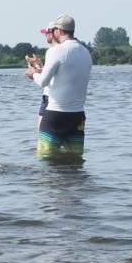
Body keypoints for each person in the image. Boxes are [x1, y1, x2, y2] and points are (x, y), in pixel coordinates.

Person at [25, 14, 92, 157]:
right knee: (75, 162)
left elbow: (43, 82)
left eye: (54, 29)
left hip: (56, 116)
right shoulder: (86, 52)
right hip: (78, 116)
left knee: (46, 162)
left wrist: (33, 73)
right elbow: (66, 76)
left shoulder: (57, 51)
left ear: (59, 31)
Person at [25, 24, 57, 128]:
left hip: (49, 97)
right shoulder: (59, 51)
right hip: (55, 98)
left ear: (54, 33)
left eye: (46, 33)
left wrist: (33, 72)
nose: (45, 35)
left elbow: (44, 80)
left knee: (41, 131)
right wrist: (37, 65)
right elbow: (51, 72)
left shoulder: (52, 51)